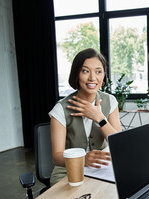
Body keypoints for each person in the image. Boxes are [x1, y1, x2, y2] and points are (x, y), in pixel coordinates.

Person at [49, 48, 122, 185]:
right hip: (68, 172)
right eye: (85, 71)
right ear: (76, 74)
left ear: (104, 75)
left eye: (98, 71)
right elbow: (57, 157)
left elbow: (119, 145)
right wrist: (82, 159)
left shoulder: (110, 101)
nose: (92, 78)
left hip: (102, 169)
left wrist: (99, 118)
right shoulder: (60, 109)